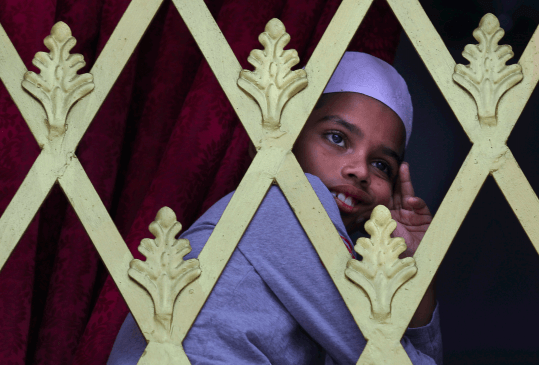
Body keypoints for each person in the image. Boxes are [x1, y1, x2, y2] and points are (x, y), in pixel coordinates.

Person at [107, 52, 442, 364]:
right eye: (337, 138)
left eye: (382, 165)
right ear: (288, 139)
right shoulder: (281, 206)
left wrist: (417, 270)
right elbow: (390, 357)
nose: (360, 170)